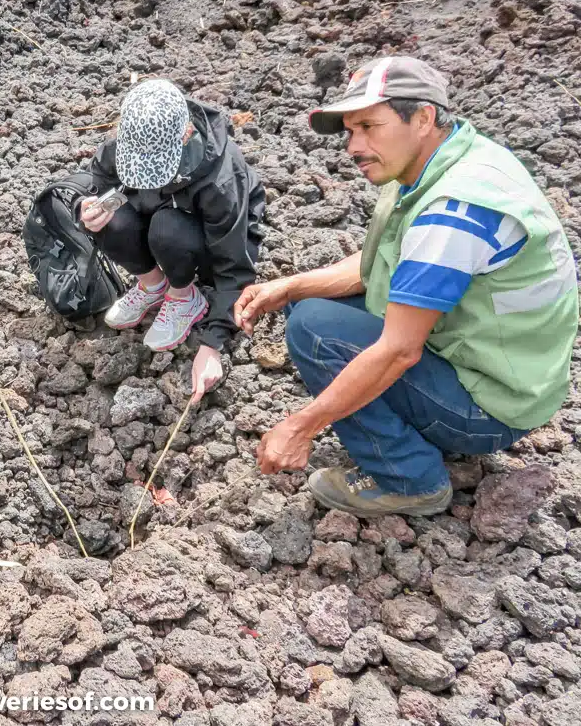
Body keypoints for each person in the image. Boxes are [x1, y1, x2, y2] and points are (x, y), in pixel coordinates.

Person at [236, 56, 579, 517]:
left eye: (369, 127)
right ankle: (418, 431)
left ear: (423, 118)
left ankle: (410, 479)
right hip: (495, 364)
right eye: (350, 131)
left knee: (314, 330)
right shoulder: (444, 161)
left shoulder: (455, 209)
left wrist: (301, 426)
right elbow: (386, 263)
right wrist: (289, 286)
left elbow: (400, 351)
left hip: (493, 406)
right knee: (307, 306)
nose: (354, 147)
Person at [82, 79, 266, 401]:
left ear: (186, 134)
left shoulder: (221, 180)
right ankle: (153, 286)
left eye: (156, 168)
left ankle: (184, 297)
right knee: (106, 220)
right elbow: (97, 182)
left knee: (166, 229)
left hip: (202, 236)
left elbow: (234, 262)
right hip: (161, 212)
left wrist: (213, 344)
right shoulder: (125, 142)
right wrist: (84, 206)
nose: (145, 176)